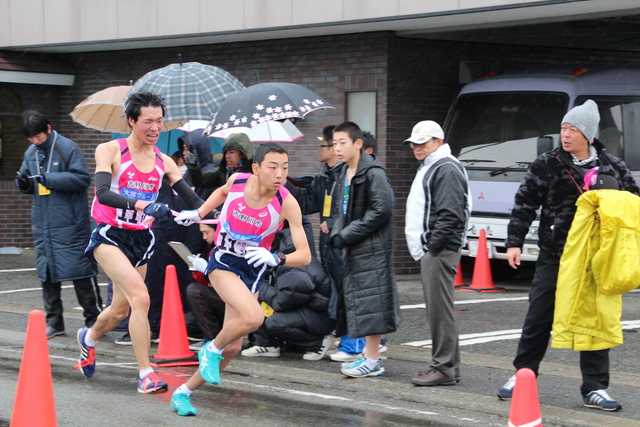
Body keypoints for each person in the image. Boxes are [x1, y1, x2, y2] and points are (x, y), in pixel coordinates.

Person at [496, 100, 640, 411]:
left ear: (587, 133)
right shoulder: (547, 164)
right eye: (563, 127)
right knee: (539, 315)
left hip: (596, 259)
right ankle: (523, 374)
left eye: (572, 129)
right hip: (555, 254)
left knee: (597, 319)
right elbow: (524, 203)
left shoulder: (613, 166)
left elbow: (634, 204)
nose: (565, 134)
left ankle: (595, 388)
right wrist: (514, 242)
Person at [75, 91, 212, 394]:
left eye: (160, 122)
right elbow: (102, 194)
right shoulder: (110, 150)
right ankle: (146, 374)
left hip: (142, 240)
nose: (155, 128)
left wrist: (212, 215)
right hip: (109, 235)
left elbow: (192, 199)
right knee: (142, 298)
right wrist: (142, 204)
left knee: (119, 311)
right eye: (148, 122)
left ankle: (88, 337)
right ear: (132, 121)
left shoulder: (164, 161)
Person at [169, 141, 311, 415]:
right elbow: (220, 193)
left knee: (233, 345)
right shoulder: (237, 181)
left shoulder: (287, 203)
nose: (280, 174)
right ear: (256, 168)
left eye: (285, 167)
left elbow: (304, 255)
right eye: (273, 167)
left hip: (253, 272)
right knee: (254, 318)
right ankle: (210, 349)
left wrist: (277, 258)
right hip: (223, 262)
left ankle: (183, 392)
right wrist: (198, 214)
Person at [15, 110, 102, 339]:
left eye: (39, 137)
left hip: (71, 224)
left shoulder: (67, 147)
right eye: (31, 138)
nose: (35, 142)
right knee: (47, 274)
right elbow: (27, 182)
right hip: (43, 225)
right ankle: (55, 322)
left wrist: (50, 179)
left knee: (81, 272)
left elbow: (83, 178)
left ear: (49, 129)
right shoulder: (31, 153)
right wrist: (23, 183)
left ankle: (94, 320)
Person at [328, 121, 399, 378]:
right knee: (363, 303)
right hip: (354, 246)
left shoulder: (373, 173)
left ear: (358, 144)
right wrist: (338, 232)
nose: (337, 148)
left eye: (342, 143)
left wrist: (346, 234)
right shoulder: (343, 172)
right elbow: (341, 210)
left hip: (370, 249)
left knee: (372, 304)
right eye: (334, 143)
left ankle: (372, 359)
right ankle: (368, 357)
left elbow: (382, 210)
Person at [403, 120, 471, 386]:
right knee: (439, 309)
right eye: (414, 143)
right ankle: (446, 366)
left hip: (440, 250)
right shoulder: (438, 166)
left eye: (423, 142)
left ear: (438, 142)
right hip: (437, 248)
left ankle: (443, 367)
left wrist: (432, 247)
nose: (417, 147)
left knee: (439, 310)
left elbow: (450, 214)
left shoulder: (445, 167)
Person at [241, 225, 334, 360]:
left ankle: (318, 342)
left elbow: (282, 302)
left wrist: (258, 285)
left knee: (275, 322)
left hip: (318, 315)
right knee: (255, 297)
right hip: (302, 307)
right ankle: (268, 344)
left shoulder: (292, 263)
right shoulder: (282, 253)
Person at [185, 222, 226, 351]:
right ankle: (211, 337)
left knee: (194, 291)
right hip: (222, 297)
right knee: (184, 322)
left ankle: (213, 339)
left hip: (231, 301)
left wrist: (207, 270)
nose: (204, 237)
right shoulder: (214, 250)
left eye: (206, 232)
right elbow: (208, 284)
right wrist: (198, 271)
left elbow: (225, 284)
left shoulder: (225, 251)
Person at [184, 132, 253, 189]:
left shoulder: (256, 172)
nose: (227, 156)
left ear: (244, 154)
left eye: (231, 152)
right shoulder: (222, 172)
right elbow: (201, 181)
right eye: (225, 152)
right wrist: (194, 168)